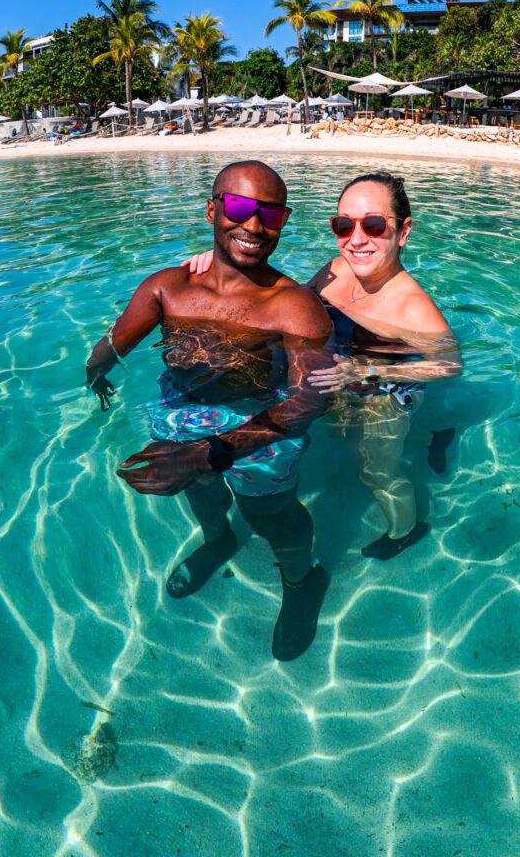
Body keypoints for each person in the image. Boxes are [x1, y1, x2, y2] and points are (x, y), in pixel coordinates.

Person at [86, 160, 333, 662]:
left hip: (259, 421)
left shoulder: (294, 306)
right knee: (199, 490)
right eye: (240, 207)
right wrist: (96, 373)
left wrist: (213, 451)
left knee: (270, 512)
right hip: (183, 408)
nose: (255, 226)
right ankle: (218, 540)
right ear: (212, 210)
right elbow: (114, 342)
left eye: (272, 214)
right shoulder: (170, 287)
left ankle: (301, 580)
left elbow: (309, 401)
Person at [184, 172, 462, 562]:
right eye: (344, 225)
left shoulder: (413, 307)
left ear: (403, 231)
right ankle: (436, 435)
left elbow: (450, 365)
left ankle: (407, 530)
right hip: (345, 376)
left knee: (376, 471)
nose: (357, 239)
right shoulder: (338, 268)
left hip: (385, 390)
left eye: (375, 225)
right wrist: (224, 265)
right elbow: (290, 300)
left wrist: (369, 372)